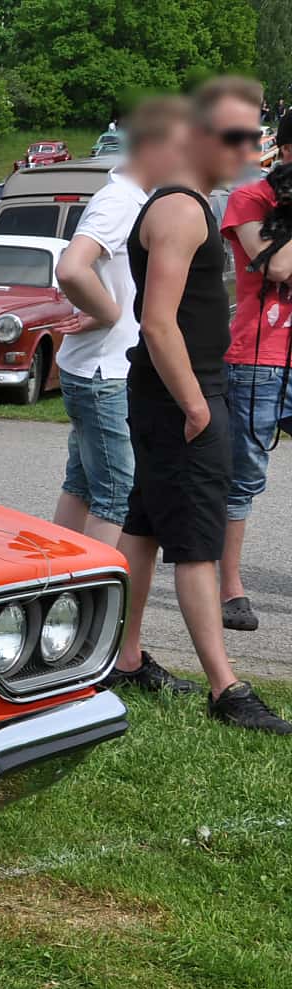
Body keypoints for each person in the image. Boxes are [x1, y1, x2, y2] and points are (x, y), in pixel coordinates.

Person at [112, 76, 290, 733]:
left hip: (175, 392)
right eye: (236, 136)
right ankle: (226, 688)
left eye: (255, 135)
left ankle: (125, 659)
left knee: (145, 526)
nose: (248, 149)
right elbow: (158, 322)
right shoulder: (181, 210)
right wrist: (196, 406)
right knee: (197, 541)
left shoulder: (190, 205)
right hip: (183, 394)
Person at [51, 96, 190, 546]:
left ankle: (54, 577)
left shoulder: (134, 199)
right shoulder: (119, 202)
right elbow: (71, 268)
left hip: (97, 368)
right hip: (103, 374)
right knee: (116, 496)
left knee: (82, 484)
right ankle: (96, 589)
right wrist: (106, 312)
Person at [215, 134, 292, 632]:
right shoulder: (250, 198)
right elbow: (278, 267)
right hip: (260, 357)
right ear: (285, 151)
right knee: (243, 478)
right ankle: (230, 588)